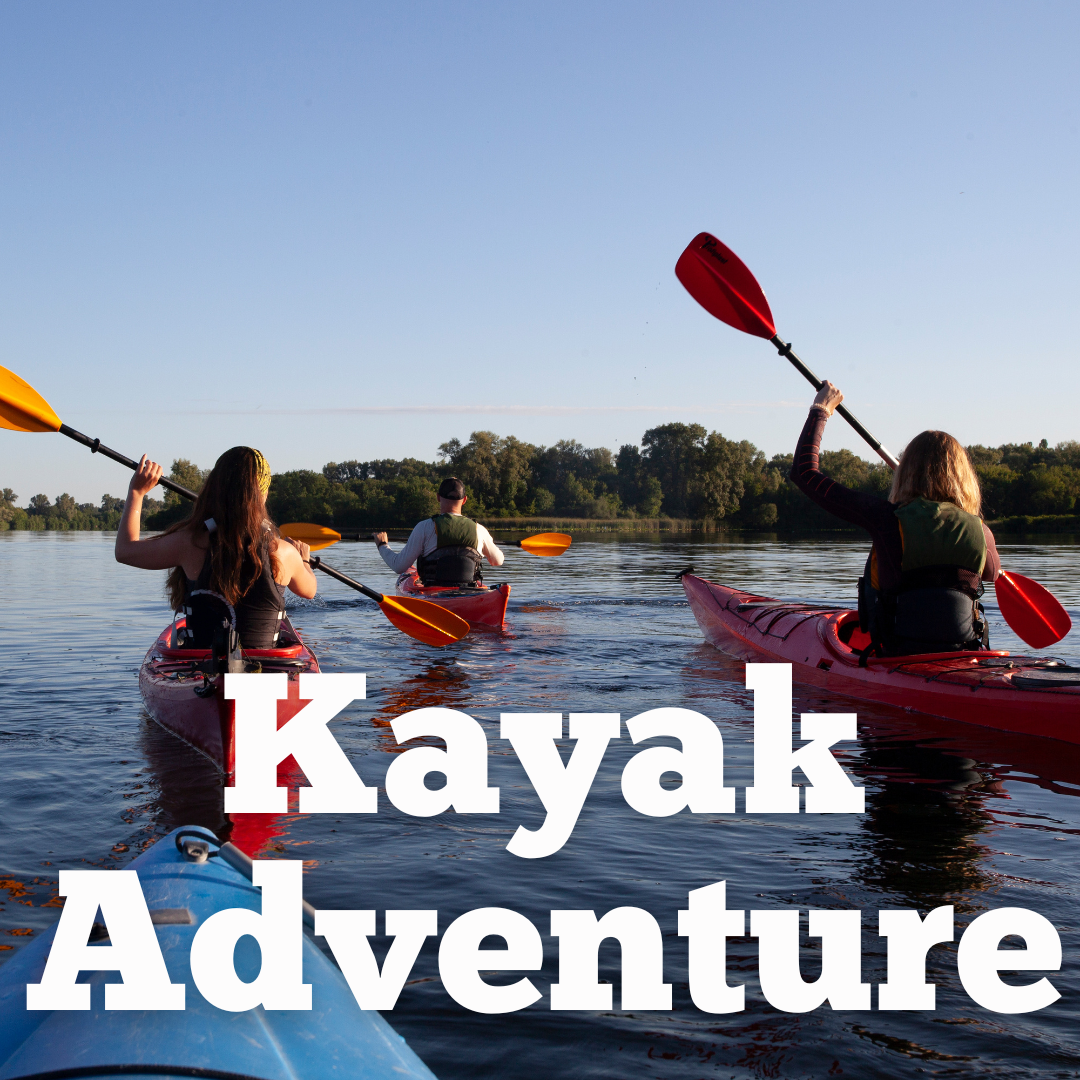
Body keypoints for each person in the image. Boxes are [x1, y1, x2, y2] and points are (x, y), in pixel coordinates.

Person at [791, 382, 1000, 657]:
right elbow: (992, 574)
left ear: (905, 473)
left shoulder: (885, 519)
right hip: (964, 654)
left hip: (899, 654)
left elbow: (805, 473)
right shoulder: (981, 531)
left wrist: (820, 410)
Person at [114, 446, 316, 651]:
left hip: (202, 674)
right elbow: (309, 591)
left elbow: (125, 551)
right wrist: (304, 560)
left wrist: (137, 492)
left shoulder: (189, 543)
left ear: (214, 487)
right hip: (265, 672)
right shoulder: (283, 552)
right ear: (263, 493)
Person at [374, 476, 505, 587]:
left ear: (438, 497)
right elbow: (497, 561)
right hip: (469, 592)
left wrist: (382, 545)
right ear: (464, 500)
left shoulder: (425, 527)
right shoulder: (479, 530)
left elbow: (399, 566)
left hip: (433, 594)